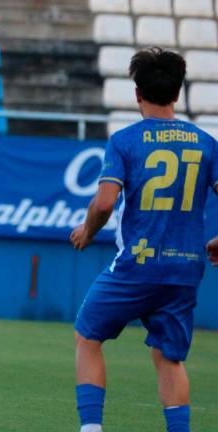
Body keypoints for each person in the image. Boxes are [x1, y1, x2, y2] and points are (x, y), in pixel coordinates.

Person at [70, 47, 218, 432]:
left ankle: (91, 429)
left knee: (88, 335)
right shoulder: (206, 144)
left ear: (137, 93)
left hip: (138, 263)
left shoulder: (125, 141)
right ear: (178, 92)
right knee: (169, 358)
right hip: (186, 267)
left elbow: (105, 202)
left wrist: (88, 231)